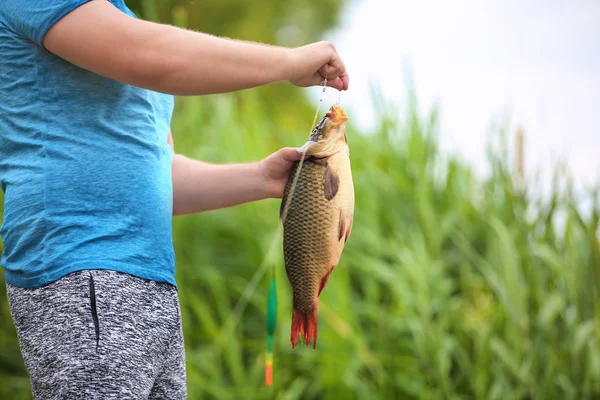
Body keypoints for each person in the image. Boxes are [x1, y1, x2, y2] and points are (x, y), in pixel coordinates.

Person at [0, 0, 349, 398]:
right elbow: (149, 55)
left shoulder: (118, 17)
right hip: (84, 269)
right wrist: (289, 62)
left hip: (150, 282)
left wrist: (261, 179)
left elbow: (156, 175)